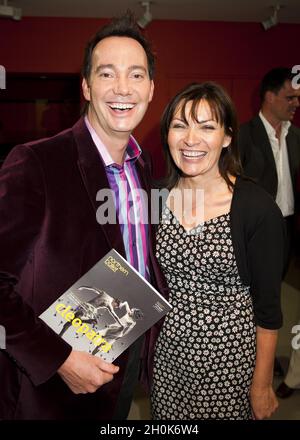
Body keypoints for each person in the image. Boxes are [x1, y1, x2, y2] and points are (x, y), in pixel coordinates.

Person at [0, 11, 168, 420]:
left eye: (136, 75)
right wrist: (60, 359)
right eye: (107, 74)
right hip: (49, 388)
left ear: (150, 89)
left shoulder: (144, 168)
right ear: (87, 87)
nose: (122, 88)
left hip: (124, 364)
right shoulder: (36, 163)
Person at [150, 82, 285, 420]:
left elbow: (268, 310)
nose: (191, 139)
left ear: (227, 137)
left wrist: (262, 385)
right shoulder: (153, 199)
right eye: (180, 125)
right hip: (167, 359)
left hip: (229, 364)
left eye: (207, 126)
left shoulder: (256, 207)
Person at [238, 67, 300, 395]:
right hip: (254, 232)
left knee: (272, 295)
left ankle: (266, 354)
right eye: (290, 97)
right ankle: (247, 361)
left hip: (287, 229)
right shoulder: (244, 135)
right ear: (269, 96)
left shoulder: (296, 136)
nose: (295, 103)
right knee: (249, 296)